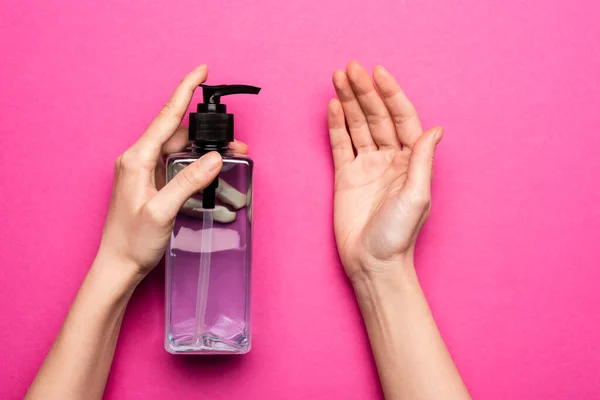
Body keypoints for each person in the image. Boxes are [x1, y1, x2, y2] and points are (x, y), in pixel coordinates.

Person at [25, 62, 471, 400]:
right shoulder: (189, 168)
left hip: (229, 319)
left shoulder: (236, 168)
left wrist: (382, 269)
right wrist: (123, 258)